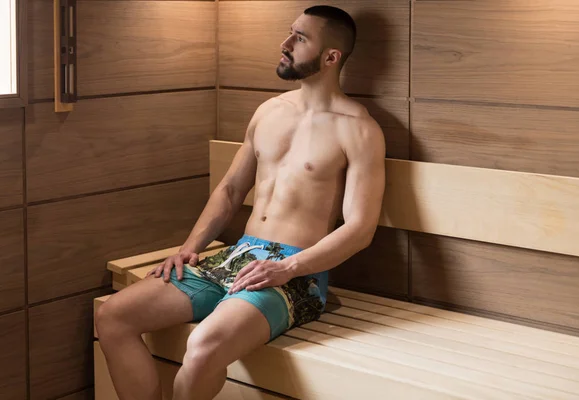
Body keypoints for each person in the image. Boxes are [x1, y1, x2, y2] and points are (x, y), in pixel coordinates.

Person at [95, 5, 386, 400]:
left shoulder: (358, 128)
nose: (285, 44)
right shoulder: (268, 111)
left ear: (332, 57)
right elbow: (231, 190)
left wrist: (288, 267)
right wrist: (188, 250)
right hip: (236, 257)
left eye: (300, 39)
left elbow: (360, 230)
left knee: (201, 347)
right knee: (112, 316)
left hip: (295, 272)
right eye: (290, 33)